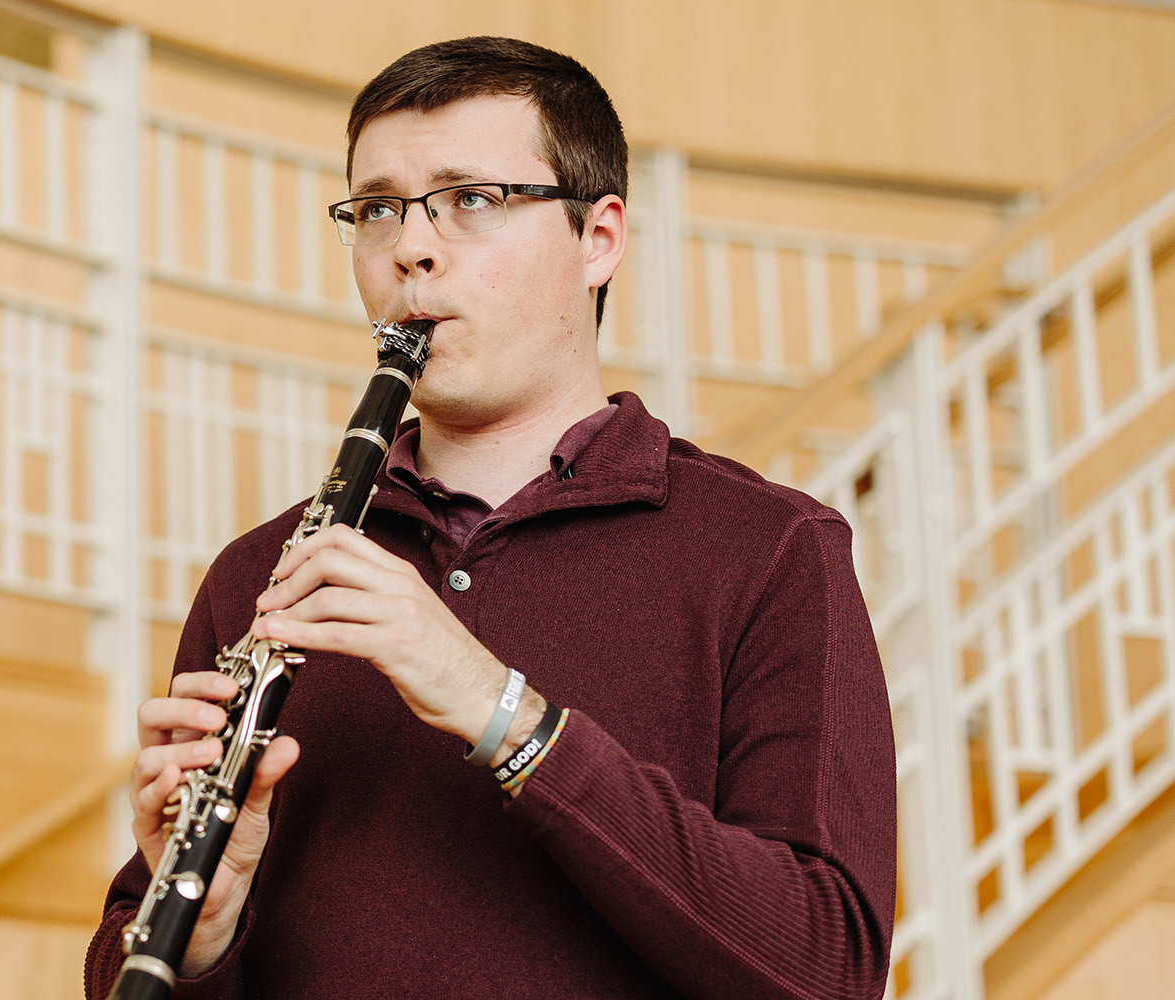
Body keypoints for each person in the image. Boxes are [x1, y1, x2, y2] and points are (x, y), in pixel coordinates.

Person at [85, 36, 897, 1000]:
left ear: (598, 239)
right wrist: (206, 940)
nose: (409, 249)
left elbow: (826, 970)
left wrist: (498, 710)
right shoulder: (264, 572)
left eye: (471, 199)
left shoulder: (772, 550)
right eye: (377, 208)